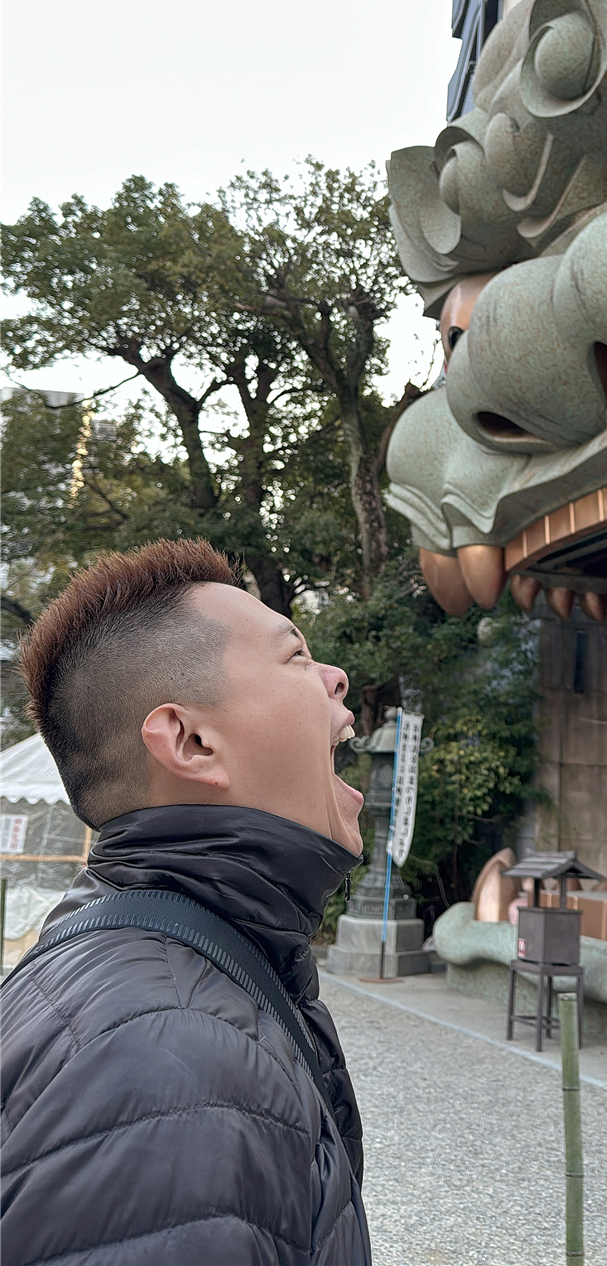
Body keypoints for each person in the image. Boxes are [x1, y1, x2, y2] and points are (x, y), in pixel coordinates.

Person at [1, 539, 371, 1266]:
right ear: (192, 740)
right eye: (295, 656)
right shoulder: (175, 1054)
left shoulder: (119, 955)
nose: (335, 676)